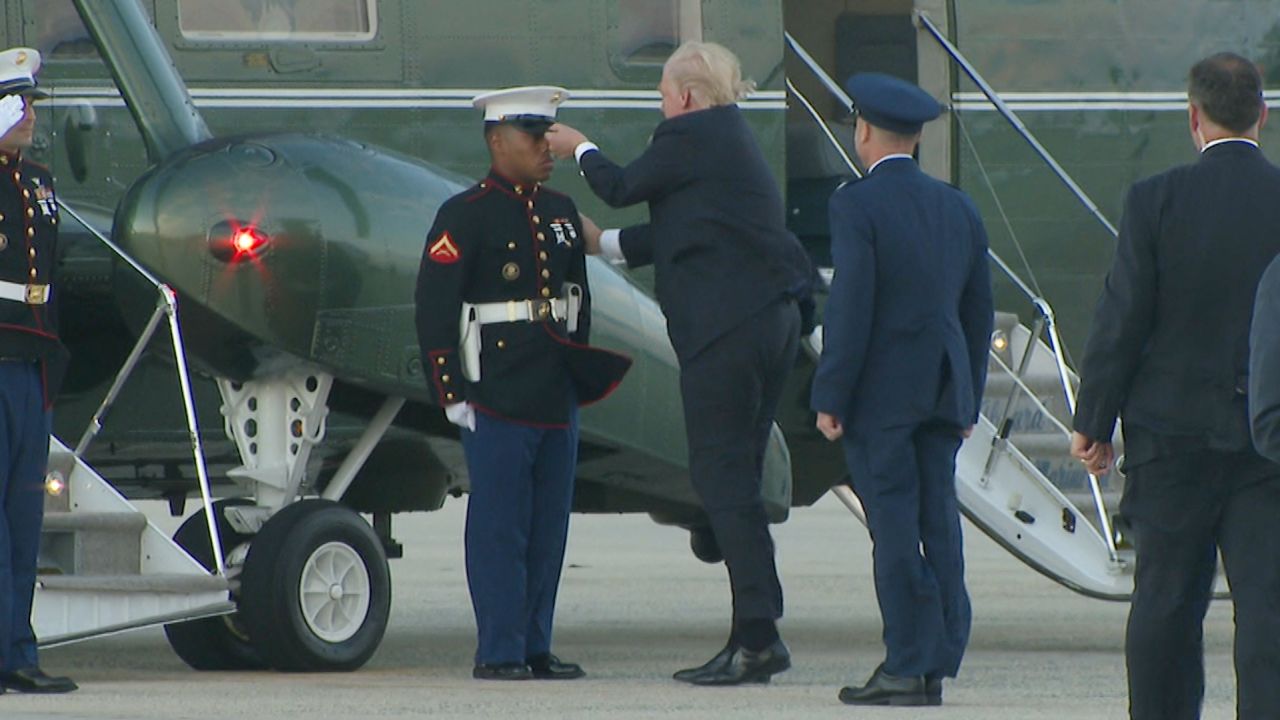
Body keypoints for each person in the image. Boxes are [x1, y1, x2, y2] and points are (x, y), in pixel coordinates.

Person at [547, 41, 812, 686]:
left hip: (729, 331)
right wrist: (600, 245)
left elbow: (621, 186)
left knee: (721, 481)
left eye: (664, 95)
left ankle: (758, 637)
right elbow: (685, 233)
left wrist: (578, 146)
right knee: (738, 483)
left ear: (686, 96)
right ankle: (753, 633)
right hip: (769, 322)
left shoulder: (691, 133)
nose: (662, 108)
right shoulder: (726, 141)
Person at [1071, 52, 1280, 720]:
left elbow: (1123, 317)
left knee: (1164, 604)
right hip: (1268, 444)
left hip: (1170, 439)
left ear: (1193, 117)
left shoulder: (1154, 200)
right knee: (1269, 609)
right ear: (1262, 117)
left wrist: (1093, 422)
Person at [414, 86, 632, 681]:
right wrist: (450, 391)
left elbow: (576, 297)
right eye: (533, 136)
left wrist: (578, 368)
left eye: (549, 135)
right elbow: (435, 307)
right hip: (497, 389)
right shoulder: (465, 213)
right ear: (495, 140)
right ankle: (500, 649)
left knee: (547, 527)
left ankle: (536, 643)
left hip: (553, 387)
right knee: (500, 526)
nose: (546, 147)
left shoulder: (561, 212)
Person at [810, 73, 993, 707]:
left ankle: (906, 662)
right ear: (914, 139)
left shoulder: (855, 205)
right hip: (943, 391)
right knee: (938, 523)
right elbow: (977, 311)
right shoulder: (957, 206)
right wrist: (967, 399)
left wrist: (830, 393)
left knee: (893, 527)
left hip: (882, 399)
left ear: (862, 131)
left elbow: (852, 305)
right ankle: (936, 659)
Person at [0, 47, 77, 695]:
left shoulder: (39, 182)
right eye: (15, 102)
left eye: (30, 103)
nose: (27, 115)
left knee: (24, 518)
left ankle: (18, 651)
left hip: (32, 364)